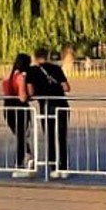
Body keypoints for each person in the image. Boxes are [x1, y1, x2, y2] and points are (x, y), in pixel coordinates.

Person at [25, 48, 72, 178]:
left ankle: (53, 167)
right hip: (62, 105)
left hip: (46, 106)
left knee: (50, 137)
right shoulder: (56, 68)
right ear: (48, 56)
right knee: (62, 137)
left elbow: (30, 92)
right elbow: (67, 87)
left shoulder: (32, 71)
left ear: (35, 57)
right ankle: (64, 168)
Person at [2, 53, 33, 177]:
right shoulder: (21, 77)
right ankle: (21, 162)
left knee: (19, 135)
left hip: (7, 107)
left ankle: (28, 156)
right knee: (22, 136)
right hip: (19, 108)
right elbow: (22, 97)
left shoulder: (7, 76)